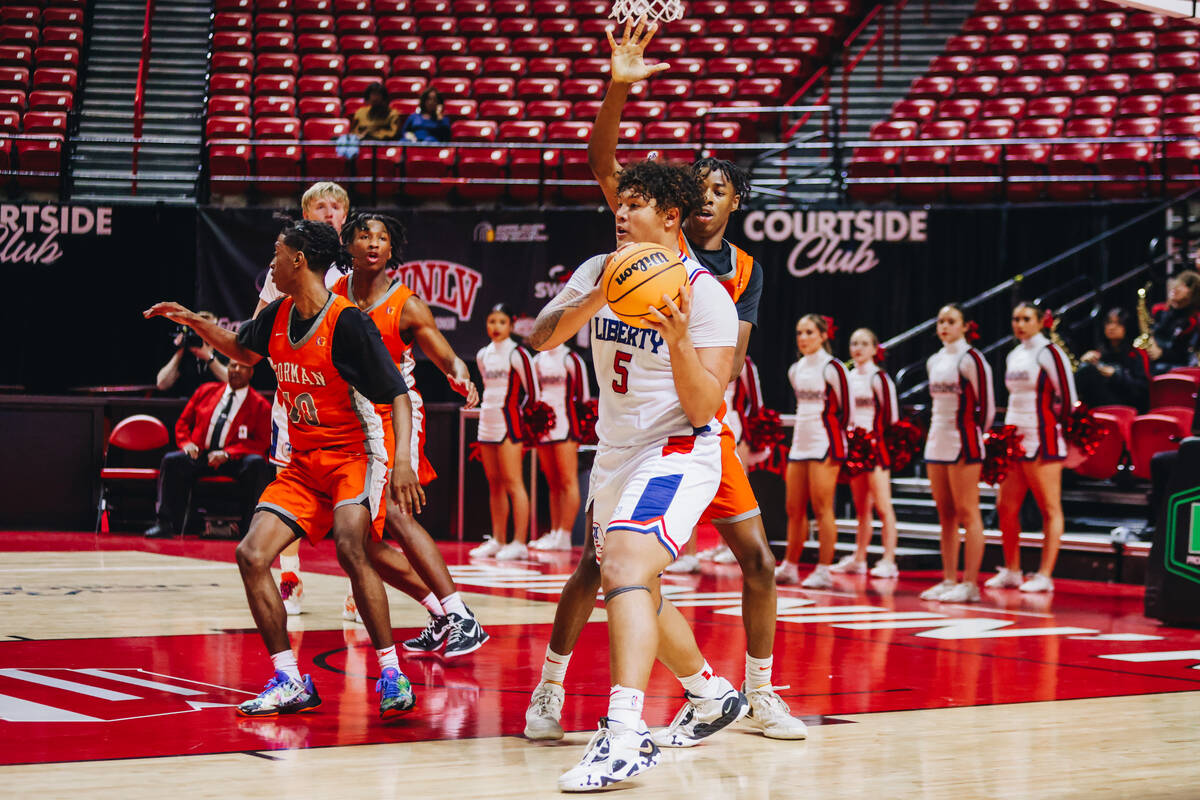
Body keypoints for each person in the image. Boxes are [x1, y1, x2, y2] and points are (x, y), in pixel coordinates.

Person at [526, 16, 804, 744]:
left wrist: (696, 382)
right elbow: (601, 158)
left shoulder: (732, 275)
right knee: (611, 569)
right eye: (701, 185)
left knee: (748, 559)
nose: (710, 197)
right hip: (624, 440)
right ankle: (683, 692)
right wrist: (618, 84)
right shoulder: (625, 245)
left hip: (700, 428)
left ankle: (753, 695)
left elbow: (725, 369)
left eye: (721, 189)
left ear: (725, 205)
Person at [144, 220, 424, 720]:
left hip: (353, 456)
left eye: (277, 252)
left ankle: (390, 670)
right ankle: (289, 679)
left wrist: (402, 460)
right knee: (251, 554)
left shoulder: (348, 323)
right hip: (302, 464)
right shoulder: (278, 315)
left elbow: (398, 395)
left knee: (349, 545)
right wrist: (194, 320)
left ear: (299, 260)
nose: (270, 261)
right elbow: (238, 348)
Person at [526, 158, 746, 791]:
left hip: (678, 449)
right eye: (618, 203)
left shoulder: (705, 295)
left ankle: (624, 736)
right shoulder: (600, 269)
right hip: (615, 453)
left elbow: (707, 407)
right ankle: (709, 695)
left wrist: (677, 341)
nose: (620, 213)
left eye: (636, 204)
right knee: (638, 588)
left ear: (671, 216)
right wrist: (595, 296)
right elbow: (541, 337)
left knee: (621, 567)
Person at [334, 211, 489, 657]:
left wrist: (463, 378)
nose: (373, 243)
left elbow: (446, 357)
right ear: (349, 245)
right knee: (359, 540)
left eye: (382, 237)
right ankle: (440, 614)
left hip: (394, 414)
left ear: (391, 249)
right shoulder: (334, 294)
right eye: (364, 235)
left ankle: (460, 614)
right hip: (350, 418)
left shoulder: (407, 303)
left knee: (398, 514)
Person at [254, 181, 350, 617]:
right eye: (321, 206)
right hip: (294, 401)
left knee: (353, 497)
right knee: (288, 485)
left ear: (345, 217)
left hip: (344, 404)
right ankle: (289, 574)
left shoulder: (357, 268)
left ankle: (356, 585)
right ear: (306, 215)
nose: (329, 212)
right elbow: (257, 329)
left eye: (336, 206)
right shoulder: (286, 267)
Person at [989, 301, 1077, 594]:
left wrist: (1061, 431)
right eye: (1015, 319)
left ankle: (1044, 574)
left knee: (1049, 507)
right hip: (1014, 438)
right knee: (1005, 506)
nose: (1019, 324)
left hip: (1043, 438)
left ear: (1042, 322)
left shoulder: (1050, 352)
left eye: (1026, 318)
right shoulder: (1014, 354)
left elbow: (1068, 396)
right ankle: (1012, 570)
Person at [144, 359, 272, 539]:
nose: (235, 370)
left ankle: (251, 529)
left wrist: (229, 454)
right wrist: (186, 443)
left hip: (235, 459)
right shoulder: (206, 391)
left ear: (251, 372)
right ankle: (165, 524)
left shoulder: (260, 405)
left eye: (241, 366)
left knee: (256, 463)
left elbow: (262, 442)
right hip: (201, 454)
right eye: (232, 365)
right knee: (172, 460)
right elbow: (183, 423)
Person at [919, 304, 994, 603]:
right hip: (936, 439)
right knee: (945, 515)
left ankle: (971, 583)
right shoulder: (935, 360)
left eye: (951, 321)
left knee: (968, 511)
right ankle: (949, 578)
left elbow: (986, 407)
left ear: (965, 326)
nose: (945, 326)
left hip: (964, 440)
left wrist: (976, 435)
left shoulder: (972, 358)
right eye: (941, 321)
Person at [775, 314, 850, 589]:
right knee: (793, 508)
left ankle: (823, 568)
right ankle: (790, 566)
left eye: (809, 332)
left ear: (823, 335)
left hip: (825, 443)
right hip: (800, 443)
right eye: (799, 332)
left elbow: (846, 410)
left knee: (822, 507)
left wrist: (836, 442)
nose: (803, 338)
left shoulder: (834, 368)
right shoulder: (795, 369)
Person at [830, 328, 900, 578]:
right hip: (854, 448)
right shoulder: (848, 376)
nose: (858, 348)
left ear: (874, 348)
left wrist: (876, 441)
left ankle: (889, 559)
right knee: (861, 508)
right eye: (854, 343)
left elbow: (892, 417)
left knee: (883, 506)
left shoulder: (879, 378)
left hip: (876, 447)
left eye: (863, 343)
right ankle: (859, 558)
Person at [471, 304, 535, 561]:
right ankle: (498, 539)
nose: (495, 327)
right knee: (494, 483)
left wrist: (522, 418)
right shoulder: (482, 354)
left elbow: (533, 392)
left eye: (501, 322)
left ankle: (519, 541)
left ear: (511, 325)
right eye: (491, 321)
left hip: (509, 423)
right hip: (486, 421)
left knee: (513, 482)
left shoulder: (518, 353)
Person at [528, 341, 590, 552]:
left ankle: (565, 534)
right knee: (552, 482)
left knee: (567, 480)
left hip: (566, 425)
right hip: (543, 427)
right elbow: (533, 394)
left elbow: (584, 396)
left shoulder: (571, 359)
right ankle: (555, 532)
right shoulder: (537, 360)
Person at [1076, 308, 1151, 412]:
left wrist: (1115, 375)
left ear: (1127, 327)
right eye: (1109, 323)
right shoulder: (1099, 353)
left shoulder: (1137, 354)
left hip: (1128, 404)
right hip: (1101, 402)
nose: (1112, 327)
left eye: (1118, 323)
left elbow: (1142, 390)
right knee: (1086, 370)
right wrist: (1083, 362)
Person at [155, 311, 229, 396]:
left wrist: (208, 357)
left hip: (215, 404)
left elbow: (229, 380)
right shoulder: (185, 353)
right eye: (199, 328)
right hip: (187, 404)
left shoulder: (224, 351)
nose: (204, 333)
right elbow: (162, 384)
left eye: (208, 328)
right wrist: (180, 351)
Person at [1146, 270, 1200, 373]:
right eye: (1178, 283)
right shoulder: (1159, 311)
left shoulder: (1193, 321)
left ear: (1194, 293)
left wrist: (1162, 353)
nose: (1176, 288)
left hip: (1175, 370)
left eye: (1184, 285)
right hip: (1153, 365)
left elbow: (1185, 356)